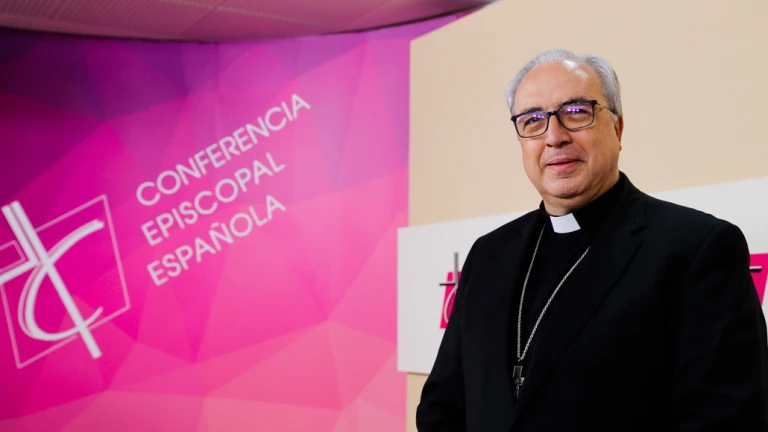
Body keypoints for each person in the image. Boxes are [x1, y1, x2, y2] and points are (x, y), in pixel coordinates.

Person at [415, 48, 768, 431]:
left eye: (576, 112)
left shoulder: (696, 248)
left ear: (617, 129)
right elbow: (442, 406)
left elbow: (725, 419)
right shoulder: (489, 254)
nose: (554, 137)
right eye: (532, 120)